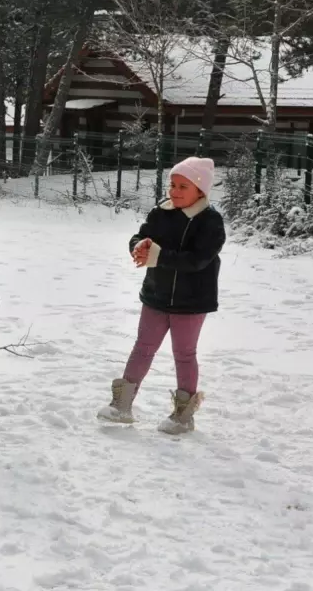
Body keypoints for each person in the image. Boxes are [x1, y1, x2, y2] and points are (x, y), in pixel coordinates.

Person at [98, 157, 225, 434]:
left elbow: (198, 260)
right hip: (156, 295)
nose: (174, 191)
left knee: (184, 354)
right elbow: (141, 236)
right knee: (142, 347)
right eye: (172, 185)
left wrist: (158, 255)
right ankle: (122, 405)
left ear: (200, 191)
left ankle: (183, 416)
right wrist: (138, 247)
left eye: (183, 186)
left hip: (191, 302)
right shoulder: (161, 212)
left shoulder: (210, 221)